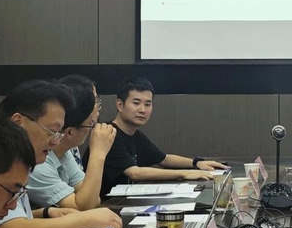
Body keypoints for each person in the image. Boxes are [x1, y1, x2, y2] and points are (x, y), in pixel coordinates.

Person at [0, 80, 121, 228]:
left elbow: (10, 221)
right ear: (18, 122)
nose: (56, 141)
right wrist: (84, 220)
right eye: (52, 131)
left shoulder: (22, 161)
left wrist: (46, 213)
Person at [98, 77, 228, 197]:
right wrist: (185, 174)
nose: (142, 110)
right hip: (105, 206)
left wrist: (196, 163)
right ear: (120, 105)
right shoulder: (108, 134)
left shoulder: (135, 135)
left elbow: (164, 159)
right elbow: (135, 173)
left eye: (147, 104)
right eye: (136, 103)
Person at [26, 76, 116, 211]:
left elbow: (93, 199)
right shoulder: (38, 162)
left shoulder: (65, 151)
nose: (97, 111)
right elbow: (83, 207)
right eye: (91, 125)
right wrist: (98, 154)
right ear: (69, 132)